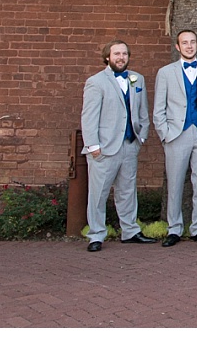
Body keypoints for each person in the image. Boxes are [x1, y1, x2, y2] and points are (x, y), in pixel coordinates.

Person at [81, 40, 154, 251]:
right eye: (116, 54)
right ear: (107, 57)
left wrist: (142, 137)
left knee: (127, 191)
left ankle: (130, 231)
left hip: (130, 145)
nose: (121, 57)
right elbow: (89, 116)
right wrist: (93, 145)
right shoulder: (96, 82)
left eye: (124, 54)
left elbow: (142, 110)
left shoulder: (137, 79)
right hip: (104, 148)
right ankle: (96, 234)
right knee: (98, 194)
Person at [153, 29, 197, 247]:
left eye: (192, 42)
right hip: (176, 133)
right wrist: (165, 134)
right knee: (175, 181)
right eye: (185, 43)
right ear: (178, 47)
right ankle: (174, 228)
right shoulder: (165, 73)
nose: (189, 46)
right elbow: (159, 109)